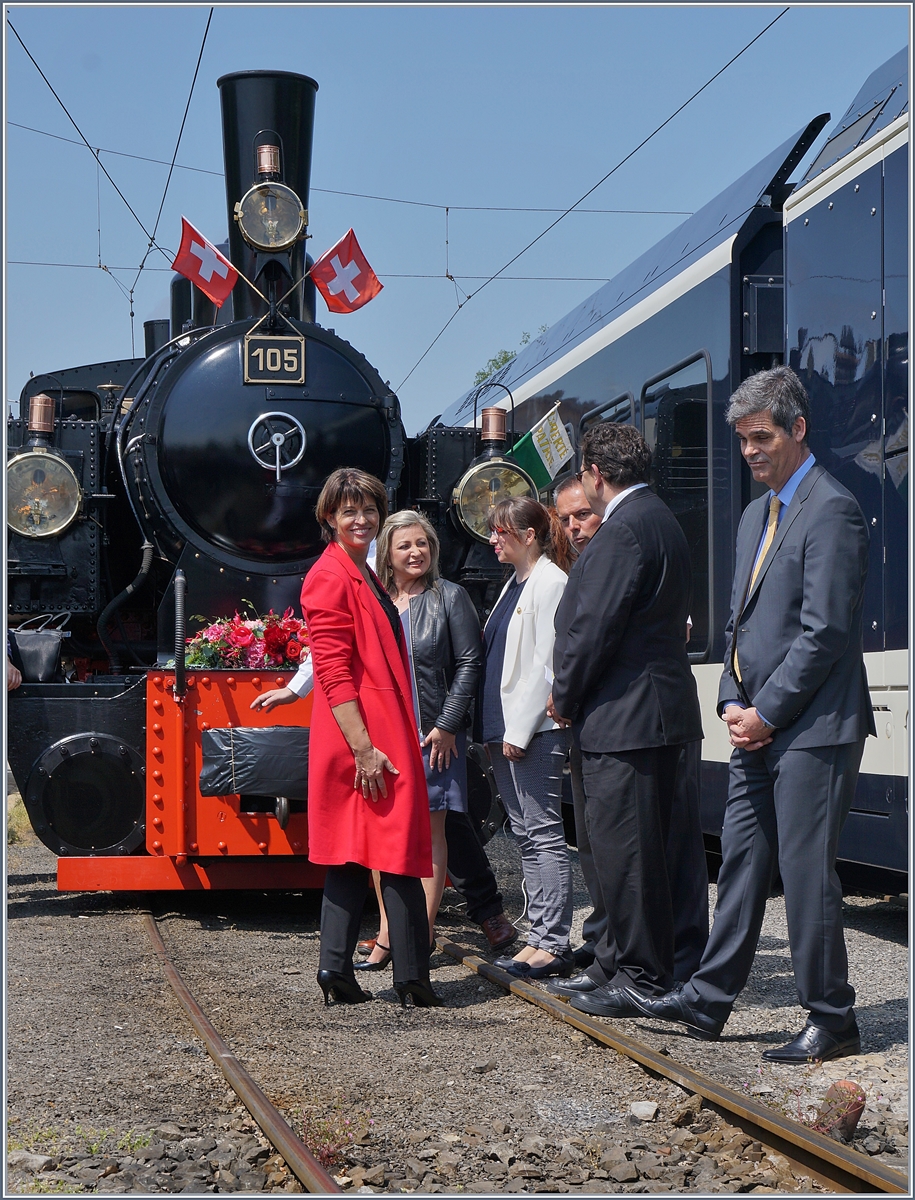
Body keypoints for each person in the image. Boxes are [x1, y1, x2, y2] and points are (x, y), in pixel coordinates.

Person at [633, 367, 874, 1062]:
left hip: (813, 728)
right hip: (758, 725)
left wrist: (766, 711)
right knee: (740, 862)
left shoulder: (832, 510)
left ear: (798, 428)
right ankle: (707, 999)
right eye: (741, 440)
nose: (748, 452)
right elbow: (737, 623)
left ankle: (832, 1017)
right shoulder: (752, 517)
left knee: (805, 873)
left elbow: (825, 633)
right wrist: (731, 697)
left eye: (760, 437)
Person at [549, 423, 703, 1016]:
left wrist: (564, 695)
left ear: (595, 474)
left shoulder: (623, 530)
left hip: (626, 718)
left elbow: (594, 630)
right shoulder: (661, 518)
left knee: (628, 852)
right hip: (656, 712)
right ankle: (627, 962)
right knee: (657, 849)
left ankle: (640, 975)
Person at [299, 468, 440, 1008]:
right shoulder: (331, 576)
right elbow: (333, 672)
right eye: (349, 511)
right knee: (397, 849)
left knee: (351, 852)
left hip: (367, 729)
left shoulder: (357, 570)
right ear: (329, 517)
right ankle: (412, 978)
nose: (361, 519)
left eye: (369, 510)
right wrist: (364, 750)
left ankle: (335, 969)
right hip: (364, 735)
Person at [354, 510, 483, 969]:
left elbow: (469, 663)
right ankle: (389, 931)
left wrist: (447, 724)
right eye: (405, 545)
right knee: (381, 834)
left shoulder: (450, 596)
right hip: (384, 736)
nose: (415, 552)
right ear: (387, 553)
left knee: (429, 835)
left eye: (422, 543)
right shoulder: (375, 599)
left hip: (433, 737)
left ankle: (421, 934)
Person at [482, 496, 574, 980]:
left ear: (529, 535)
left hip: (532, 729)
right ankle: (537, 936)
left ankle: (552, 942)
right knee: (524, 832)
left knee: (542, 831)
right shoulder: (514, 582)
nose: (492, 540)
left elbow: (546, 664)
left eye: (500, 531)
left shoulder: (550, 582)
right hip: (504, 728)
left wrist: (518, 731)